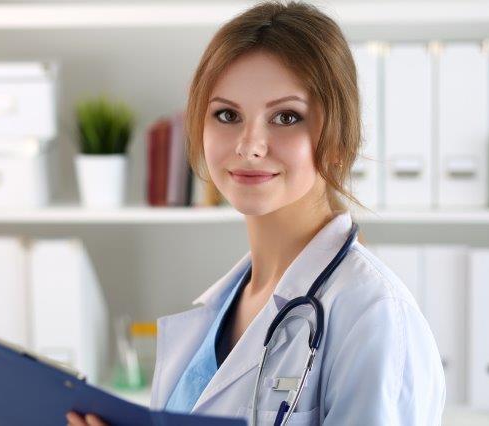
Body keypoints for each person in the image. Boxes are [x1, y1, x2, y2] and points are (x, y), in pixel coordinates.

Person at [67, 1, 445, 425]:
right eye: (227, 115)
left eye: (286, 117)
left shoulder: (373, 315)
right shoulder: (229, 303)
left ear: (339, 142)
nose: (249, 145)